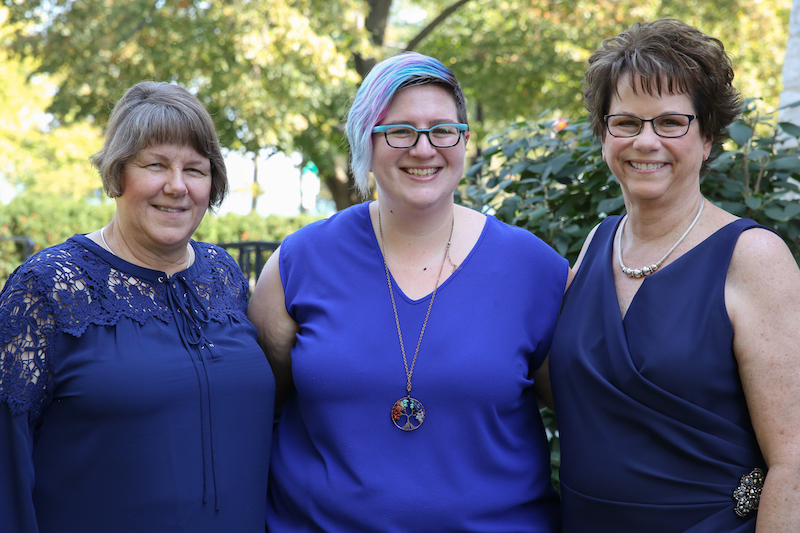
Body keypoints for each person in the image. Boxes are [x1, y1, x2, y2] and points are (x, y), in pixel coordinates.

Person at [247, 51, 569, 532]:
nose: (424, 149)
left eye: (443, 130)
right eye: (400, 131)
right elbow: (252, 413)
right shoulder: (300, 262)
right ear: (366, 142)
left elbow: (587, 424)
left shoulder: (535, 270)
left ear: (463, 141)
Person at [548, 18, 800, 532]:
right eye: (626, 122)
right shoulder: (597, 245)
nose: (645, 141)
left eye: (670, 122)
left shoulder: (753, 258)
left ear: (707, 137)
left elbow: (793, 462)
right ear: (603, 135)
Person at [0, 81, 275, 533]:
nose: (176, 186)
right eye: (156, 165)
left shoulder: (224, 277)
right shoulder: (47, 288)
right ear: (117, 172)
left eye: (195, 169)